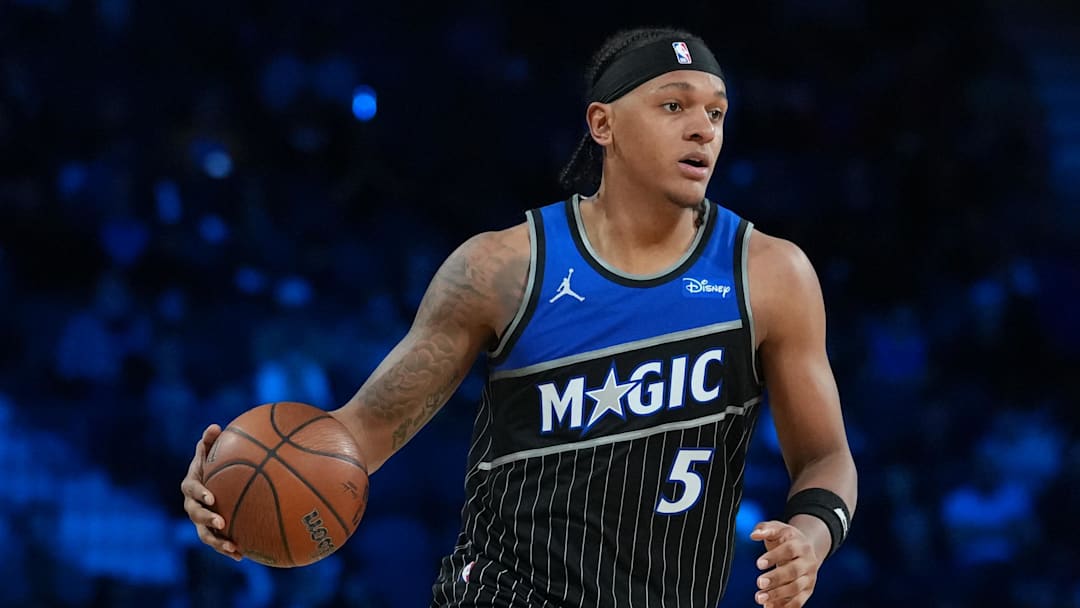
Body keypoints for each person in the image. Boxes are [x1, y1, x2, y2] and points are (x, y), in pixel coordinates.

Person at [180, 26, 858, 608]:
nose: (701, 128)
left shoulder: (770, 273)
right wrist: (232, 492)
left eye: (716, 112)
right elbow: (357, 436)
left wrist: (812, 536)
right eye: (673, 105)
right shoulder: (500, 269)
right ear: (604, 124)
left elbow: (826, 457)